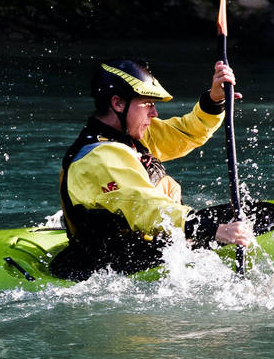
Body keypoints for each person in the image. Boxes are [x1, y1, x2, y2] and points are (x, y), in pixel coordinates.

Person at [51, 58, 253, 279]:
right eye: (147, 103)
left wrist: (215, 100)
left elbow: (185, 132)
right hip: (112, 266)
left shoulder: (131, 136)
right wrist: (214, 230)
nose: (154, 113)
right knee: (237, 224)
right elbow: (147, 207)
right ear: (118, 103)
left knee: (262, 214)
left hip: (148, 245)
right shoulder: (99, 157)